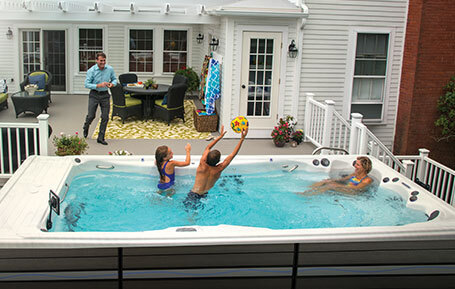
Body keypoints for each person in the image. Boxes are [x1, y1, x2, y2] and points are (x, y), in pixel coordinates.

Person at [184, 125, 248, 209]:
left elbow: (208, 147)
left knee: (190, 215)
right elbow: (233, 155)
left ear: (206, 158)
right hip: (205, 195)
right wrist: (242, 139)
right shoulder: (219, 169)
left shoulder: (202, 165)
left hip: (194, 194)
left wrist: (220, 136)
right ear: (218, 161)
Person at [83, 52, 117, 145]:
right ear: (97, 60)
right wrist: (98, 85)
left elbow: (114, 79)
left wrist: (112, 84)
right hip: (94, 94)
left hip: (105, 95)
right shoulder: (91, 70)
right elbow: (86, 84)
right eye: (101, 60)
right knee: (91, 116)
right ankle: (86, 126)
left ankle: (100, 138)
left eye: (104, 60)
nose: (103, 62)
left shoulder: (109, 69)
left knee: (105, 117)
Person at [301, 156, 373, 195]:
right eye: (355, 164)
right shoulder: (355, 174)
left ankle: (308, 195)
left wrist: (337, 185)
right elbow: (342, 180)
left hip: (354, 194)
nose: (354, 166)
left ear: (364, 167)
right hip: (348, 188)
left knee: (330, 185)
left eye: (357, 165)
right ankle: (307, 189)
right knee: (327, 182)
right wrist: (332, 180)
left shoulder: (367, 180)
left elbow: (356, 188)